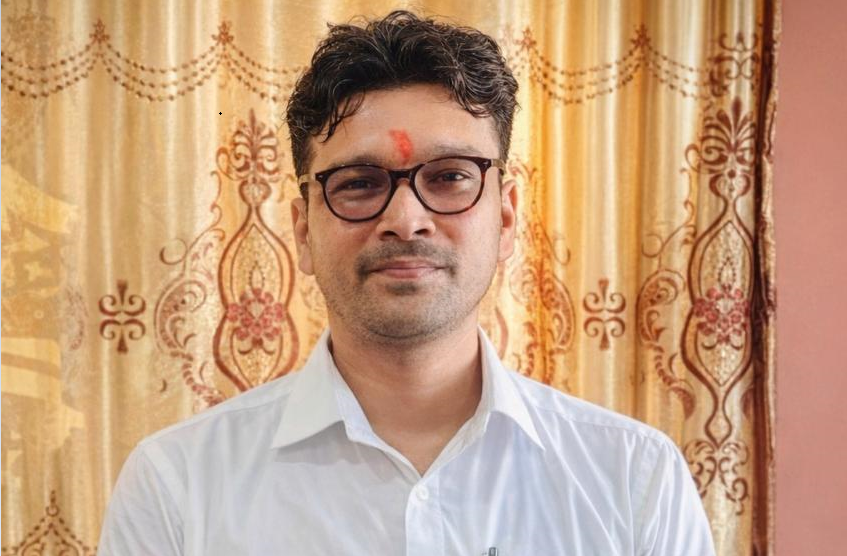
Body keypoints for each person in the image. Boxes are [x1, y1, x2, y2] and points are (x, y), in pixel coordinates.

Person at [98, 10, 715, 555]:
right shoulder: (177, 486)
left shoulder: (633, 479)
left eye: (448, 177)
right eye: (359, 183)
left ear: (505, 217)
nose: (406, 219)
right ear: (303, 231)